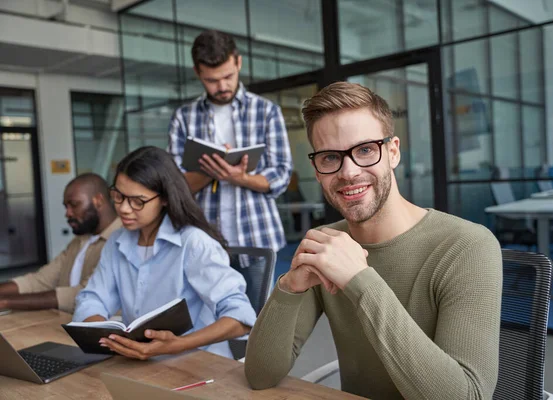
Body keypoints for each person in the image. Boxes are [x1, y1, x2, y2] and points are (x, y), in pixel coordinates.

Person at [244, 82, 502, 399]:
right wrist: (288, 288)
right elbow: (259, 375)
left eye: (365, 150)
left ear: (392, 152)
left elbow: (469, 397)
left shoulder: (467, 246)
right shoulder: (328, 246)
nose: (349, 172)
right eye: (330, 157)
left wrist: (359, 280)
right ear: (317, 168)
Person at [72, 146, 256, 360]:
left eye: (137, 201)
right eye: (118, 196)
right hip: (141, 362)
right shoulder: (117, 242)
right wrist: (108, 336)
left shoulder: (193, 243)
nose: (123, 208)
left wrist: (178, 345)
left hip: (198, 364)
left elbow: (240, 318)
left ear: (165, 199)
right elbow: (92, 298)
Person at [167, 30, 293, 306]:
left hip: (257, 238)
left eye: (227, 76)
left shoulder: (266, 111)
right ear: (197, 73)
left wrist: (241, 178)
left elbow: (282, 175)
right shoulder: (183, 118)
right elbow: (174, 186)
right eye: (211, 80)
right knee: (210, 323)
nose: (221, 86)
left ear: (238, 63)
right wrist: (210, 171)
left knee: (259, 325)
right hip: (204, 241)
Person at [0, 173, 120, 313]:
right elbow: (41, 281)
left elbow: (82, 294)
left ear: (98, 200)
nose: (68, 213)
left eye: (74, 205)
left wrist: (5, 302)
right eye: (66, 206)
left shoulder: (120, 241)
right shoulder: (80, 242)